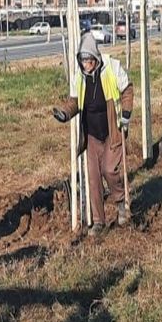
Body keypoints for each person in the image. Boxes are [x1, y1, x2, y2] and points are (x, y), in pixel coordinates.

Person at [53, 32, 134, 235]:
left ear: (95, 59)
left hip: (112, 131)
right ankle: (98, 221)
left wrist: (125, 115)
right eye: (82, 60)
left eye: (88, 60)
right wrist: (64, 113)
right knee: (93, 178)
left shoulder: (112, 68)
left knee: (109, 169)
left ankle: (121, 202)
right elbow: (74, 102)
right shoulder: (79, 77)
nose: (85, 64)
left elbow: (127, 90)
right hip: (91, 135)